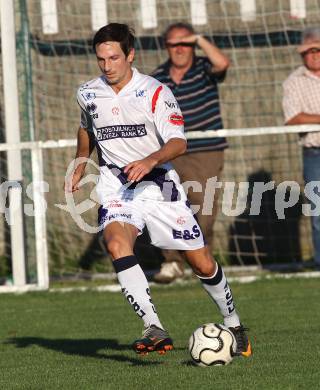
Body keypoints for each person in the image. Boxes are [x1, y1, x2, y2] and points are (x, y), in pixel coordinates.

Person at [66, 23, 251, 357]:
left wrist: (150, 160)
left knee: (201, 263)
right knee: (116, 244)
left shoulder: (155, 91)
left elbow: (179, 142)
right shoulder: (88, 92)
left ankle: (234, 323)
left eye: (114, 58)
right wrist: (81, 159)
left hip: (158, 187)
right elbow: (86, 127)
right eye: (101, 60)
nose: (107, 66)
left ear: (130, 55)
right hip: (116, 186)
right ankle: (154, 326)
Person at [151, 23, 229, 283]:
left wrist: (199, 38)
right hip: (170, 151)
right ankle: (171, 263)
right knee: (166, 207)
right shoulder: (157, 77)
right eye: (174, 44)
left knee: (203, 211)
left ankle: (202, 261)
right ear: (166, 47)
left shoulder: (204, 68)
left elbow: (223, 63)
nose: (180, 49)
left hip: (205, 150)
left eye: (185, 43)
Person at [282, 27, 320, 268]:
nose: (314, 55)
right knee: (318, 212)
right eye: (309, 51)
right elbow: (293, 117)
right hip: (314, 152)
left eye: (318, 49)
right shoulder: (293, 82)